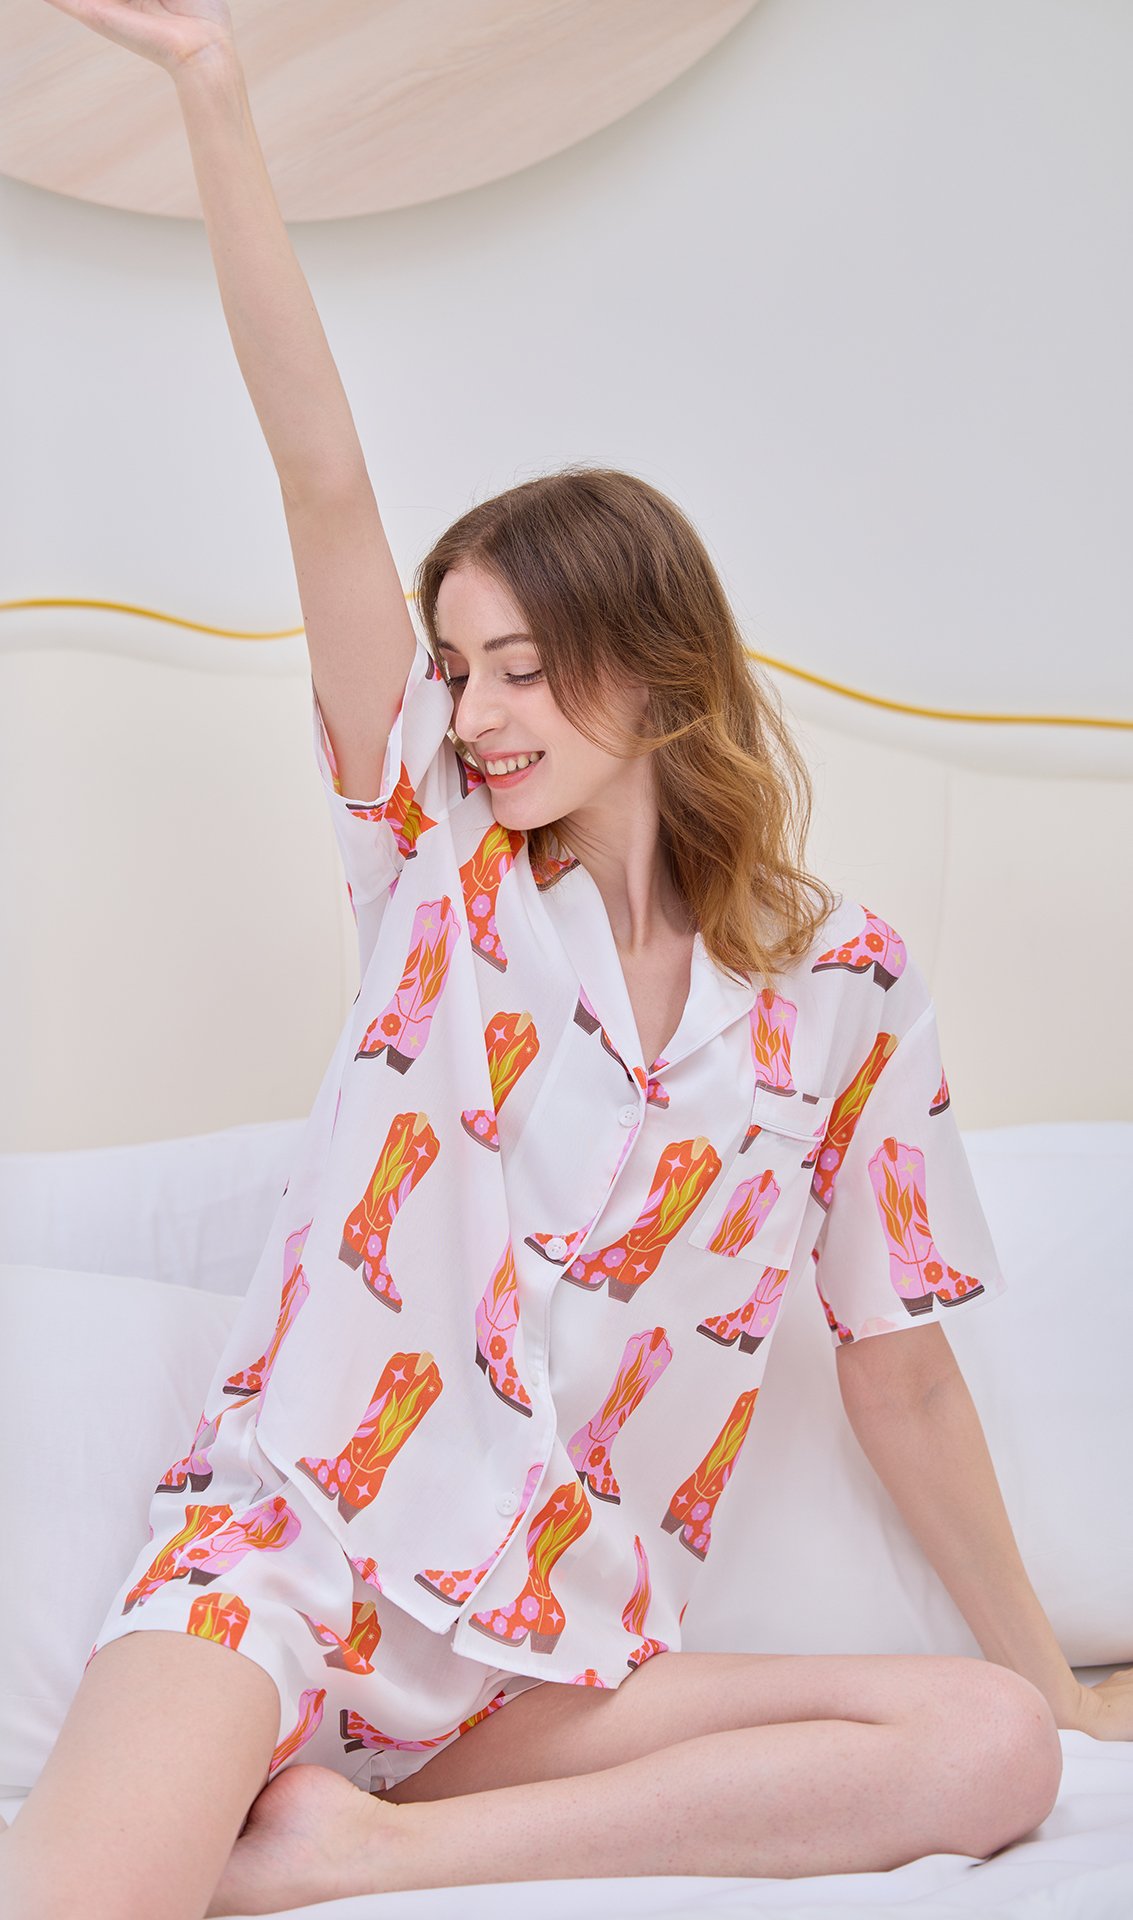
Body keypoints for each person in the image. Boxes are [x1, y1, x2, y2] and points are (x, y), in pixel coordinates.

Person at [8, 4, 1128, 1917]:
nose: (485, 709)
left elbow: (904, 1379)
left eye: (528, 666)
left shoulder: (843, 990)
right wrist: (214, 95)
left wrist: (1046, 1679)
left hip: (550, 1659)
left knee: (987, 1751)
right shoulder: (431, 861)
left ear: (658, 670)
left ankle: (351, 1859)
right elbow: (324, 485)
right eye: (461, 667)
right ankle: (280, 1824)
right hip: (289, 1567)